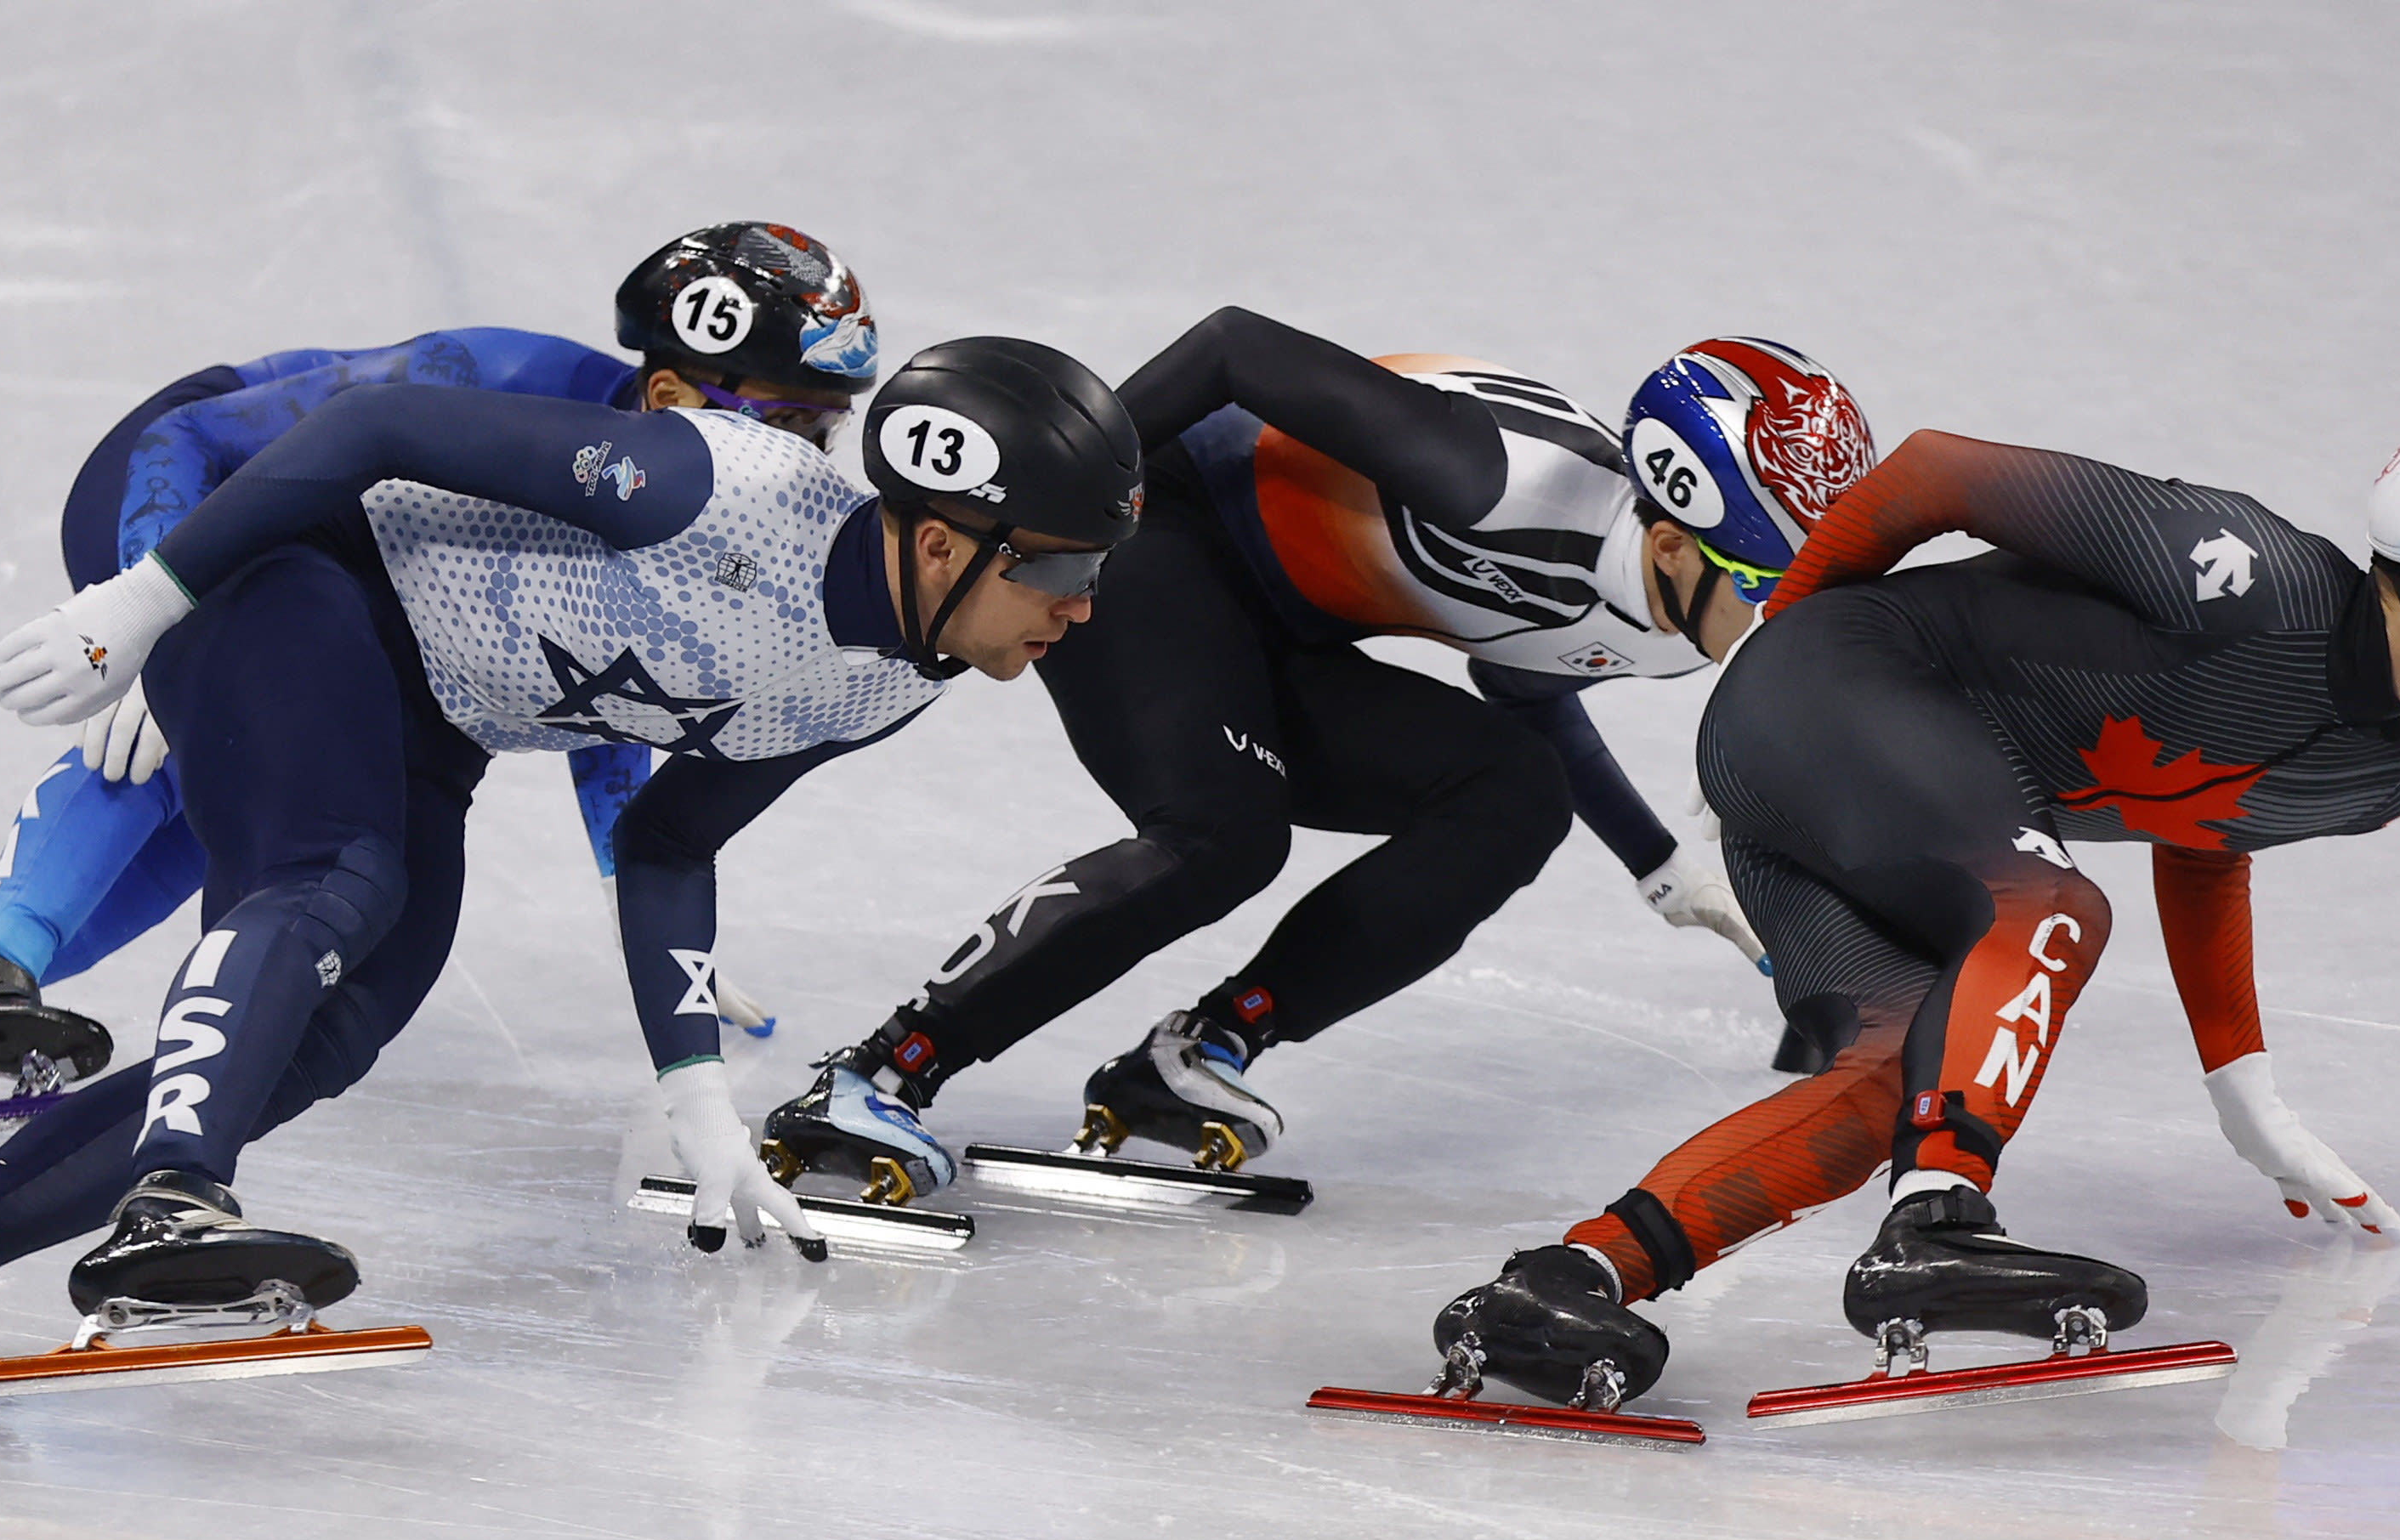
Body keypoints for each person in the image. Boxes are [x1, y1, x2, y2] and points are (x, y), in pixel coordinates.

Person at [0, 333, 1143, 1389]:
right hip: (269, 539)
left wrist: (696, 1087)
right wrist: (143, 598)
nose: (1082, 615)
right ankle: (174, 1200)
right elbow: (374, 423)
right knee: (336, 875)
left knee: (340, 1022)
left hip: (423, 689)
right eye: (1066, 577)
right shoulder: (707, 482)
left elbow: (669, 838)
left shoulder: (897, 676)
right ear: (948, 540)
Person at [1426, 414, 2400, 1411]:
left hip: (1855, 810)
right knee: (2047, 902)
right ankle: (1940, 1217)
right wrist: (1770, 649)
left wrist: (2244, 1090)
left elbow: (2206, 831)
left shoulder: (2385, 775)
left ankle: (1563, 1279)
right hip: (1835, 687)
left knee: (1875, 1086)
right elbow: (1933, 474)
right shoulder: (2239, 570)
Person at [0, 223, 869, 1118]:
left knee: (231, 823)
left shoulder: (707, 512)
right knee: (206, 751)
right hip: (191, 480)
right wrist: (160, 616)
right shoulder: (509, 377)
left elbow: (608, 685)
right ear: (671, 398)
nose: (814, 464)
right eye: (795, 425)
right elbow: (209, 445)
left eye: (830, 431)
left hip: (337, 581)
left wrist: (635, 885)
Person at [763, 314, 1875, 1198]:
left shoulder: (1673, 612)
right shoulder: (1494, 480)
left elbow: (1522, 691)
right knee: (1220, 836)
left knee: (1509, 793)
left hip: (1286, 622)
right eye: (1775, 592)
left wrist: (1658, 864)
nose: (1793, 622)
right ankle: (877, 1071)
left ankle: (1194, 1056)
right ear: (1676, 542)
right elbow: (1232, 349)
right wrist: (1048, 524)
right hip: (1165, 531)